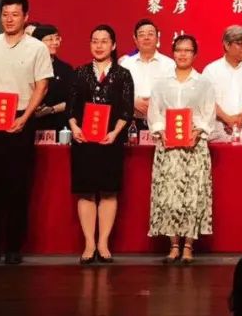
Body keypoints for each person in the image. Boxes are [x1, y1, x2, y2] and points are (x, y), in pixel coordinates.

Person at [0, 0, 52, 265]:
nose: (9, 19)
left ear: (26, 17)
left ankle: (14, 248)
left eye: (15, 14)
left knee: (18, 186)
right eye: (5, 14)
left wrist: (25, 117)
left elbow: (42, 86)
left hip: (21, 119)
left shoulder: (37, 48)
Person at [68, 24, 134, 264]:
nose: (99, 45)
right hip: (84, 141)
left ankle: (103, 243)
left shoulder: (123, 74)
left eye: (104, 41)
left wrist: (115, 133)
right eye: (95, 41)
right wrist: (75, 128)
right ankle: (89, 244)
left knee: (108, 191)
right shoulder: (80, 73)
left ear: (113, 45)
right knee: (86, 192)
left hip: (110, 142)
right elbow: (71, 107)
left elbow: (126, 109)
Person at [148, 34, 215, 264]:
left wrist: (199, 130)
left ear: (195, 54)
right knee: (169, 197)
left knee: (192, 197)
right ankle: (173, 245)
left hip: (194, 148)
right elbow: (154, 112)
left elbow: (209, 113)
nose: (183, 54)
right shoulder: (161, 83)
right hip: (168, 147)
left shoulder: (204, 83)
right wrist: (160, 131)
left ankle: (188, 246)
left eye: (188, 50)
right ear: (173, 52)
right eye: (178, 50)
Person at [203, 25, 242, 141]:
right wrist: (227, 119)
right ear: (227, 45)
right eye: (239, 44)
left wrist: (241, 117)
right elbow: (207, 100)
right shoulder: (211, 70)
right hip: (219, 131)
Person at [119, 18, 176, 132]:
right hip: (131, 123)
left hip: (161, 123)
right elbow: (117, 91)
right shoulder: (125, 64)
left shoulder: (170, 64)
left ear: (157, 38)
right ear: (135, 39)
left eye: (150, 34)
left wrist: (155, 103)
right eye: (141, 34)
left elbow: (175, 93)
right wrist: (133, 101)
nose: (146, 38)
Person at [31, 24, 74, 133]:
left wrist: (51, 110)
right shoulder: (28, 66)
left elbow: (71, 101)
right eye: (50, 39)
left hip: (57, 125)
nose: (55, 42)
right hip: (30, 124)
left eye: (57, 38)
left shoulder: (66, 69)